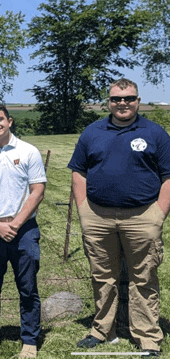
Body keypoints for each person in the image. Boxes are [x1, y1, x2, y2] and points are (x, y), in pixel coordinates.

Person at [68, 79, 170, 358]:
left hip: (142, 216)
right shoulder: (92, 132)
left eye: (129, 98)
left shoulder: (155, 133)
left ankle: (147, 337)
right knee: (102, 276)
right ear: (108, 102)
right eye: (117, 99)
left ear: (138, 101)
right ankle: (102, 330)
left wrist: (158, 215)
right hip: (98, 216)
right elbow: (78, 172)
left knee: (143, 278)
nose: (123, 103)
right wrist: (83, 209)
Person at [0, 105, 47, 359]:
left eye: (0, 119)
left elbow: (37, 191)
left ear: (9, 121)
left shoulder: (28, 151)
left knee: (27, 288)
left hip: (24, 229)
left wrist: (15, 224)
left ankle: (29, 340)